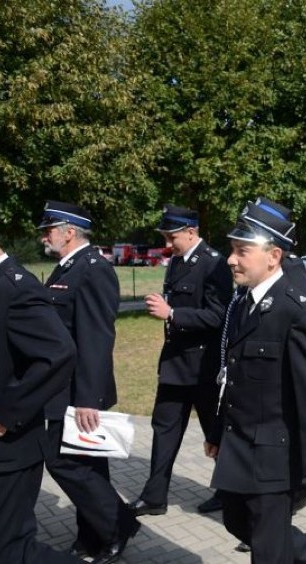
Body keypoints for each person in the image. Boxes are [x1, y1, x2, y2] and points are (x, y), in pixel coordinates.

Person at [205, 201, 306, 564]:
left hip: (274, 455)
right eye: (232, 250)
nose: (231, 259)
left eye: (242, 251)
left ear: (273, 256)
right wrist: (217, 433)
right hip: (239, 446)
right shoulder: (243, 304)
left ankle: (294, 550)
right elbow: (230, 378)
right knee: (236, 519)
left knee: (267, 551)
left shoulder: (297, 312)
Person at [0, 201, 80, 563]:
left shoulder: (16, 288)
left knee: (9, 554)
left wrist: (5, 412)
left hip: (4, 455)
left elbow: (58, 354)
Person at [36, 201, 140, 563]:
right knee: (89, 464)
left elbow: (96, 337)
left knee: (63, 461)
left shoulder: (93, 269)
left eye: (49, 229)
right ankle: (91, 535)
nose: (44, 235)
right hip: (62, 385)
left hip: (78, 389)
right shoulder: (67, 267)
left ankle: (118, 524)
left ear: (69, 232)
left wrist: (88, 399)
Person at [129, 205, 233, 516]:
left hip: (204, 368)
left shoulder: (214, 264)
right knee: (164, 430)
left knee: (216, 433)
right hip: (175, 364)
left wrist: (173, 313)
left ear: (191, 232)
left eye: (172, 237)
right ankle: (154, 496)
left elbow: (218, 315)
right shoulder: (176, 261)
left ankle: (229, 494)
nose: (168, 243)